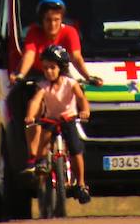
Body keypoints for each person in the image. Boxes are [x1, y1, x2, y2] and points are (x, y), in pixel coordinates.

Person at [23, 44, 92, 204]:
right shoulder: (43, 85)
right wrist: (30, 115)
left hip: (68, 118)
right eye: (45, 68)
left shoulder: (70, 83)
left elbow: (81, 98)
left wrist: (85, 111)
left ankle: (81, 184)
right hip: (50, 119)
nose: (48, 71)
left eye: (52, 68)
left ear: (61, 68)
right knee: (44, 137)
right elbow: (35, 101)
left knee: (76, 149)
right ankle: (41, 161)